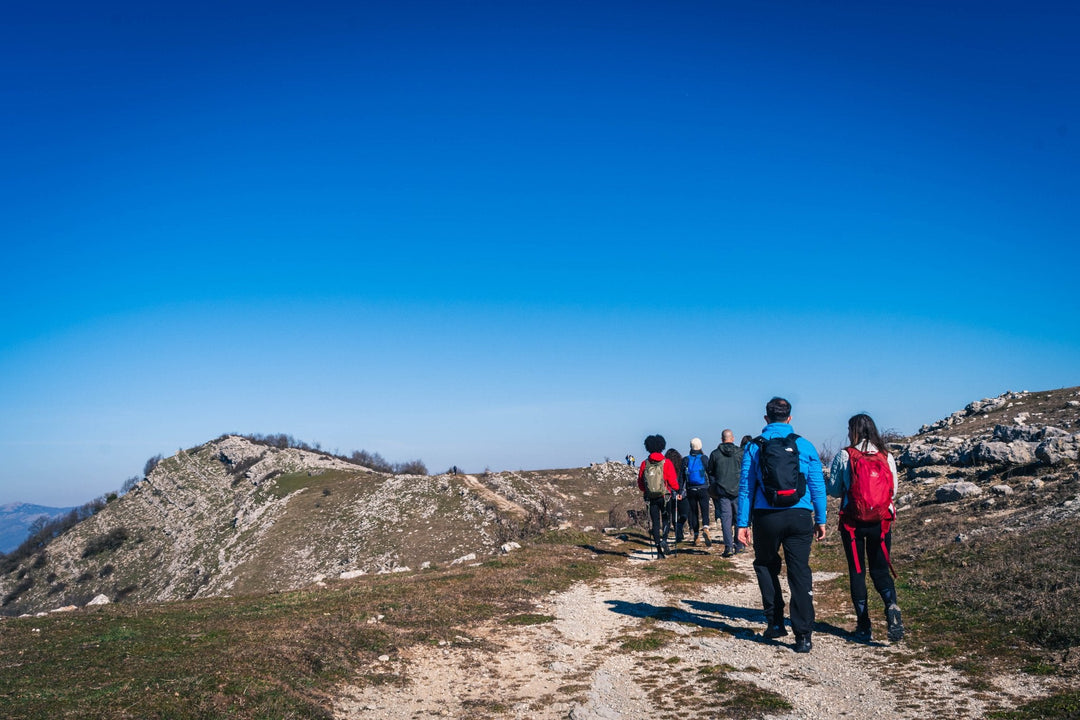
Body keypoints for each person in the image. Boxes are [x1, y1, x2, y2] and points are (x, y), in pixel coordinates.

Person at [736, 397, 827, 653]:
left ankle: (775, 623)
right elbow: (817, 486)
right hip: (799, 515)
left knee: (765, 565)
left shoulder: (754, 447)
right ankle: (804, 635)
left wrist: (742, 524)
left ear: (766, 419)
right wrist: (821, 519)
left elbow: (746, 488)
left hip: (767, 516)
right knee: (799, 571)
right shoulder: (805, 445)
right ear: (790, 418)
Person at [827, 413, 905, 642]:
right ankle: (891, 605)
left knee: (858, 571)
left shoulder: (844, 455)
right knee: (880, 569)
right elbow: (893, 491)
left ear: (853, 431)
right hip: (881, 524)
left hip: (852, 524)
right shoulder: (886, 456)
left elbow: (833, 489)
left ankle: (863, 624)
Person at [637, 435, 680, 559]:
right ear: (662, 446)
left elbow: (640, 483)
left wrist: (647, 491)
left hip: (651, 498)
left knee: (655, 522)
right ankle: (664, 540)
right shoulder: (667, 462)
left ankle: (659, 552)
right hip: (665, 496)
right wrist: (677, 489)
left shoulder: (644, 464)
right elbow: (672, 481)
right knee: (666, 519)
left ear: (648, 447)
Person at [708, 429, 745, 557]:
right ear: (733, 438)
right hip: (738, 490)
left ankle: (728, 547)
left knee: (726, 519)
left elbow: (710, 472)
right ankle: (739, 545)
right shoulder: (740, 453)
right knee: (738, 518)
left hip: (722, 490)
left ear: (721, 439)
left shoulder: (715, 454)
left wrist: (716, 484)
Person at [683, 438, 713, 547]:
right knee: (705, 510)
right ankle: (706, 528)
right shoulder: (704, 458)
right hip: (703, 488)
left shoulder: (686, 459)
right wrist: (712, 486)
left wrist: (679, 491)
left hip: (691, 489)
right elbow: (710, 473)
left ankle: (696, 536)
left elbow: (682, 477)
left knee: (694, 512)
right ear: (700, 446)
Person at [664, 447, 689, 546]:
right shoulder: (682, 465)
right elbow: (684, 481)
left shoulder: (666, 465)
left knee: (674, 514)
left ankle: (677, 531)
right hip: (682, 494)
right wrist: (681, 494)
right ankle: (680, 527)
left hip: (670, 495)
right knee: (684, 514)